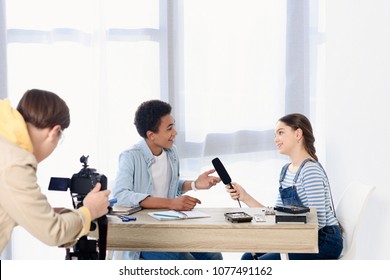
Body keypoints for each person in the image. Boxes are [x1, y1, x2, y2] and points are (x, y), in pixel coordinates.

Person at [0, 89, 110, 255]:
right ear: (54, 132)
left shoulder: (5, 145)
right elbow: (53, 232)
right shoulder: (16, 162)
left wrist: (49, 214)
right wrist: (90, 211)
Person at [112, 99, 223, 260]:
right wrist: (170, 203)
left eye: (174, 126)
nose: (175, 132)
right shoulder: (130, 156)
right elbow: (121, 194)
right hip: (143, 237)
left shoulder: (171, 153)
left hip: (169, 229)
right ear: (151, 135)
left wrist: (194, 184)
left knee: (213, 256)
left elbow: (169, 185)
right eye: (169, 128)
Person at [226, 113, 343, 260]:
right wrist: (245, 197)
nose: (276, 140)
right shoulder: (285, 171)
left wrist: (285, 240)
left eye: (280, 133)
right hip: (302, 237)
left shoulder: (310, 170)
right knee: (247, 258)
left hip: (324, 241)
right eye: (275, 135)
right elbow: (275, 214)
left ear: (298, 134)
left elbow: (318, 221)